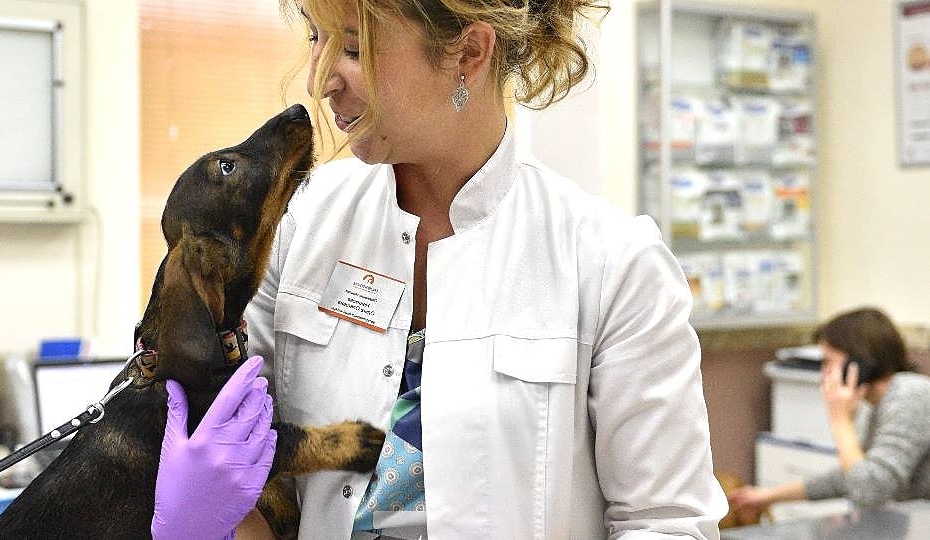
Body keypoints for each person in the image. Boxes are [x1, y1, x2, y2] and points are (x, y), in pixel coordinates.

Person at [152, 0, 728, 538]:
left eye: (353, 49)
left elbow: (666, 522)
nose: (320, 79)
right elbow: (247, 476)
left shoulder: (612, 264)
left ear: (470, 53)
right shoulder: (296, 228)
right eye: (316, 38)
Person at [729, 307, 930, 520]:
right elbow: (853, 476)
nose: (824, 373)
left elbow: (870, 491)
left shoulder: (910, 395)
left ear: (858, 362)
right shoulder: (873, 404)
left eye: (828, 361)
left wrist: (840, 420)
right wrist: (769, 496)